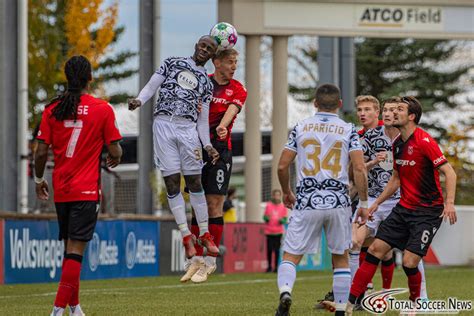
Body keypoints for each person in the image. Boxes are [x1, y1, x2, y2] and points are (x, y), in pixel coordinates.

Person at [346, 96, 458, 315]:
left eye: (399, 110)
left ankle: (417, 303)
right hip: (403, 207)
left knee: (408, 261)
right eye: (391, 109)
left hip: (427, 211)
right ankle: (349, 303)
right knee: (376, 249)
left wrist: (450, 203)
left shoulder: (425, 142)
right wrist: (375, 203)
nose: (393, 113)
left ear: (411, 116)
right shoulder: (397, 144)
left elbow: (449, 172)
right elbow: (396, 179)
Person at [34, 55, 123, 316]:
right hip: (86, 190)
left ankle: (75, 307)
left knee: (70, 249)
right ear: (90, 78)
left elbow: (40, 152)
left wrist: (39, 180)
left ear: (67, 77)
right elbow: (115, 150)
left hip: (61, 189)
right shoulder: (102, 109)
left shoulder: (53, 109)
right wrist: (113, 155)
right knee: (75, 249)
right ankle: (57, 310)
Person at [275, 84, 368, 316]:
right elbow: (359, 168)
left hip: (307, 199)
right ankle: (340, 308)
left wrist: (286, 191)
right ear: (339, 104)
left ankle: (286, 292)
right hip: (338, 200)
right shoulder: (348, 129)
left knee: (291, 255)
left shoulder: (301, 127)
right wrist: (364, 203)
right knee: (341, 257)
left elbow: (282, 165)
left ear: (315, 103)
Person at [128, 35, 220, 261]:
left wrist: (207, 144)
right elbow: (152, 86)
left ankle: (205, 233)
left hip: (188, 129)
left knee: (195, 182)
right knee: (171, 182)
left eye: (209, 49)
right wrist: (140, 100)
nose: (204, 50)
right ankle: (186, 236)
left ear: (212, 55)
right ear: (196, 45)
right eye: (202, 45)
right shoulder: (172, 62)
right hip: (163, 125)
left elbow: (203, 119)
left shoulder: (207, 83)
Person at [179, 48, 247, 283]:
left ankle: (210, 261)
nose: (234, 66)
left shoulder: (238, 88)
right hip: (196, 151)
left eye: (236, 62)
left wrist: (222, 126)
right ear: (216, 63)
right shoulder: (202, 83)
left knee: (214, 203)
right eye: (230, 62)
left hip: (220, 151)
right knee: (197, 205)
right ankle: (196, 260)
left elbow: (233, 109)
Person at [315, 95, 383, 310]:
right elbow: (353, 172)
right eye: (360, 109)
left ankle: (418, 299)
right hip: (361, 199)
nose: (362, 113)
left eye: (367, 109)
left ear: (377, 112)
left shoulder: (389, 133)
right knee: (350, 244)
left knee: (391, 251)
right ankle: (352, 295)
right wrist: (369, 163)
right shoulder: (354, 136)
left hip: (391, 200)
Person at [264, 189, 288, 273]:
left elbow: (285, 218)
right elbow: (265, 217)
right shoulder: (268, 205)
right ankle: (269, 267)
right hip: (269, 231)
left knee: (277, 250)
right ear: (272, 196)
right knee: (269, 250)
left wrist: (282, 220)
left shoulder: (283, 206)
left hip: (278, 232)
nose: (276, 197)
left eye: (278, 195)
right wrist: (267, 218)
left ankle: (276, 267)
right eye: (275, 195)